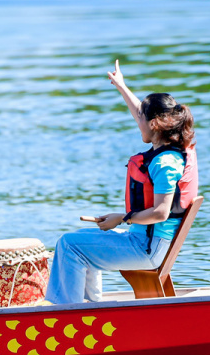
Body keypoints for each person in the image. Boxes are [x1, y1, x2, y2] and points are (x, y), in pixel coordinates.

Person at [44, 61, 199, 304]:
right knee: (80, 238)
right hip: (149, 242)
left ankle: (68, 312)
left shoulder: (164, 163)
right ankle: (89, 306)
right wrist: (121, 86)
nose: (137, 122)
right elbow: (141, 112)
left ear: (154, 124)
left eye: (141, 119)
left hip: (146, 249)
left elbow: (160, 213)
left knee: (69, 245)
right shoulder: (175, 148)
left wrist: (123, 218)